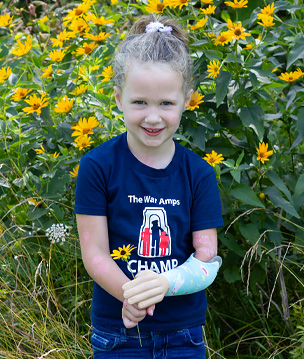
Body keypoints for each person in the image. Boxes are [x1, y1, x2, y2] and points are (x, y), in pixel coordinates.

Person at [75, 13, 224, 359]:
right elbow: (94, 252)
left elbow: (207, 257)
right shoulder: (97, 167)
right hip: (118, 333)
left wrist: (164, 284)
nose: (153, 117)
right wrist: (130, 295)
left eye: (166, 104)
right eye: (140, 102)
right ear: (117, 99)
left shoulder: (198, 174)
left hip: (183, 334)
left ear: (187, 100)